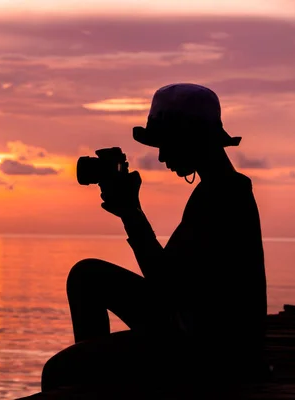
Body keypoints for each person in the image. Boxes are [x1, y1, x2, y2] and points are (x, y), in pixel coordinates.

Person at [41, 83, 268, 393]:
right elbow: (173, 283)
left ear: (190, 138)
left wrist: (131, 213)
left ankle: (90, 387)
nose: (161, 156)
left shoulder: (223, 195)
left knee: (60, 371)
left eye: (166, 143)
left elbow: (165, 284)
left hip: (211, 356)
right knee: (87, 276)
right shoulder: (223, 189)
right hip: (198, 336)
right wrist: (130, 210)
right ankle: (93, 384)